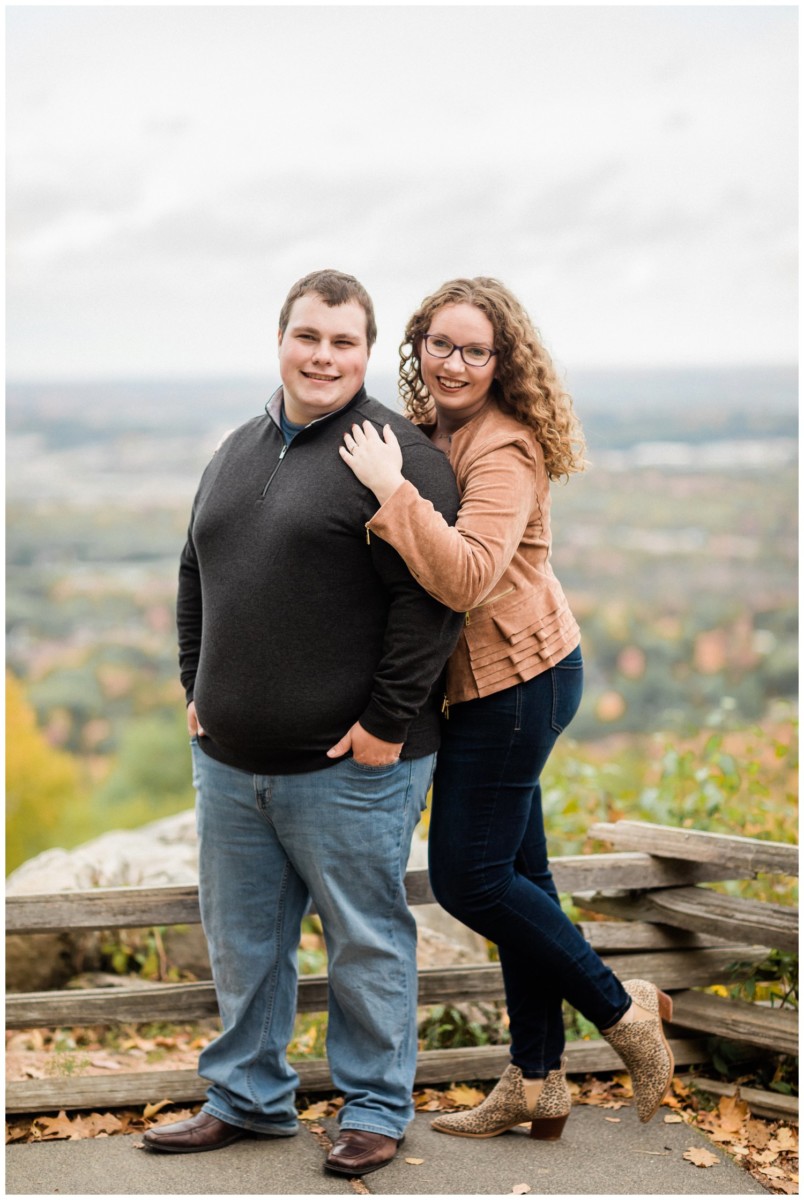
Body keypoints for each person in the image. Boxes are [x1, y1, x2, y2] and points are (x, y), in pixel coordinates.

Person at [339, 276, 674, 1141]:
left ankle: (623, 1007)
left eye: (473, 351)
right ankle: (536, 1080)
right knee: (524, 880)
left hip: (520, 683)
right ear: (418, 348)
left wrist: (391, 492)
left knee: (471, 879)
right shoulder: (430, 433)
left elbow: (466, 575)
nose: (453, 363)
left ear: (501, 362)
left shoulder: (503, 449)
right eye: (440, 345)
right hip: (485, 685)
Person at [143, 270, 464, 1176]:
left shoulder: (397, 456)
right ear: (281, 339)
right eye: (308, 337)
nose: (323, 356)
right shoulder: (238, 447)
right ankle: (246, 1098)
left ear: (366, 354)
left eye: (343, 342)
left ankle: (372, 1108)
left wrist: (383, 727)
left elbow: (432, 607)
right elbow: (194, 570)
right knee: (245, 944)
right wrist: (194, 685)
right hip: (230, 760)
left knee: (365, 940)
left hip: (353, 768)